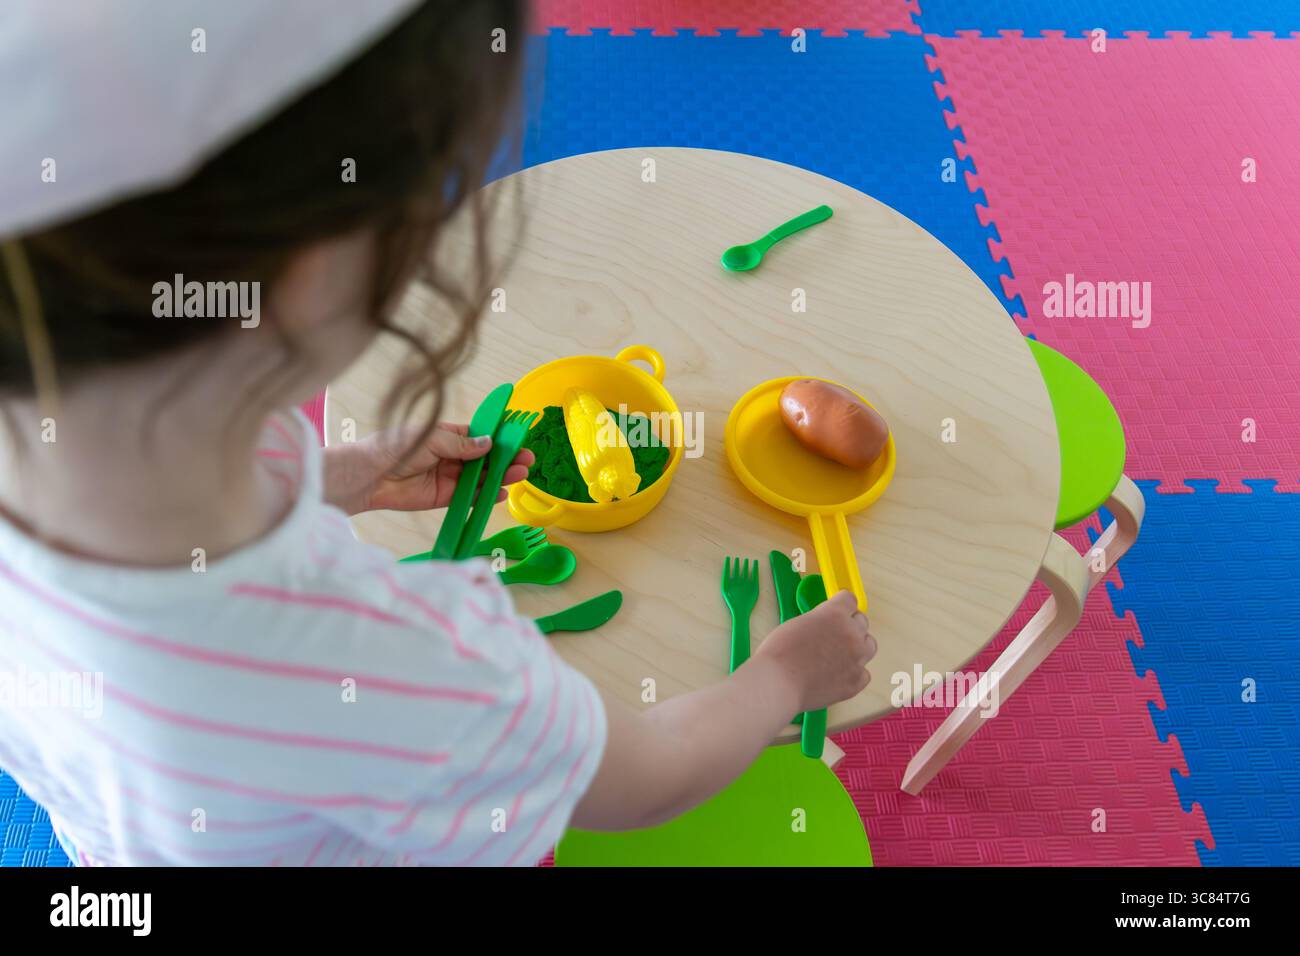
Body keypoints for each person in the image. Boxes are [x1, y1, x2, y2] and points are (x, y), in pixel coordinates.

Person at [0, 0, 876, 866]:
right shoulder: (405, 662)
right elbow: (642, 779)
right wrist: (784, 677)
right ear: (313, 272)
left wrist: (345, 478)